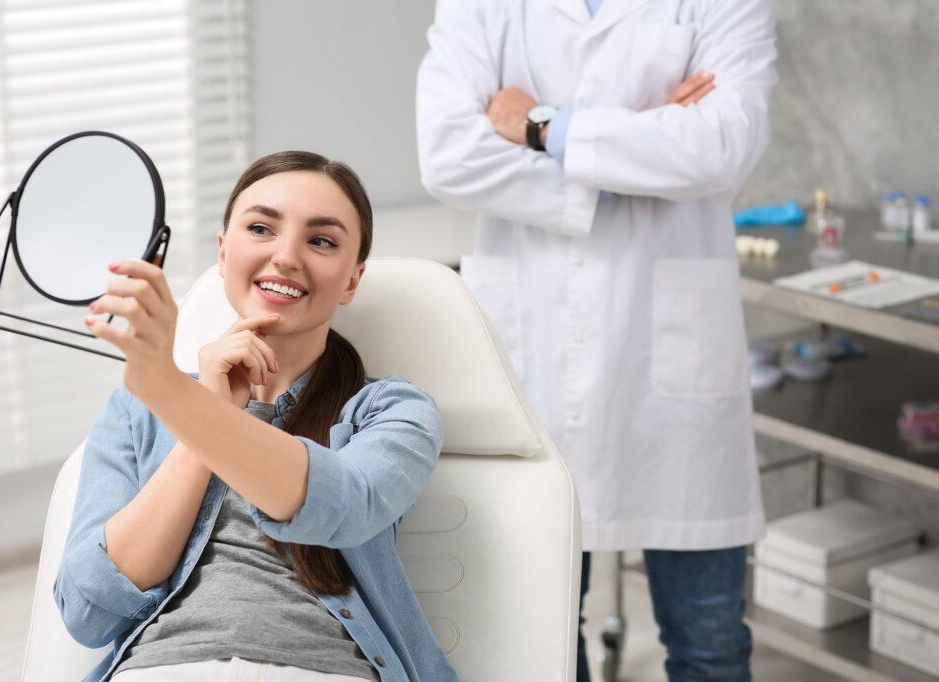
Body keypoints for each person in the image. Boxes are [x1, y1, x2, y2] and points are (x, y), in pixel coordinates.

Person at [416, 1, 777, 680]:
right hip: (535, 354)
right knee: (542, 640)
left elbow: (725, 146)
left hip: (671, 375)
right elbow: (445, 157)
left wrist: (539, 126)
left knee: (711, 642)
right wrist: (640, 146)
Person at [55, 151, 461, 682]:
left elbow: (348, 506)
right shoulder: (137, 410)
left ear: (353, 279)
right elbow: (89, 611)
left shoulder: (393, 410)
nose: (286, 256)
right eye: (261, 228)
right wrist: (207, 409)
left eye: (321, 240)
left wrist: (185, 402)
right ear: (224, 252)